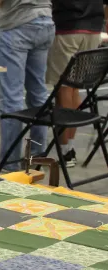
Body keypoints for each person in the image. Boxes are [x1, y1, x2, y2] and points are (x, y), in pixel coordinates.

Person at [0, 0, 53, 171]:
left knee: (11, 98)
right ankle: (37, 157)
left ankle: (9, 165)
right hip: (45, 20)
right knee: (38, 94)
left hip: (16, 24)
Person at [46, 0, 107, 167]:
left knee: (64, 88)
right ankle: (69, 148)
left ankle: (65, 150)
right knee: (74, 87)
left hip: (68, 27)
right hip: (93, 29)